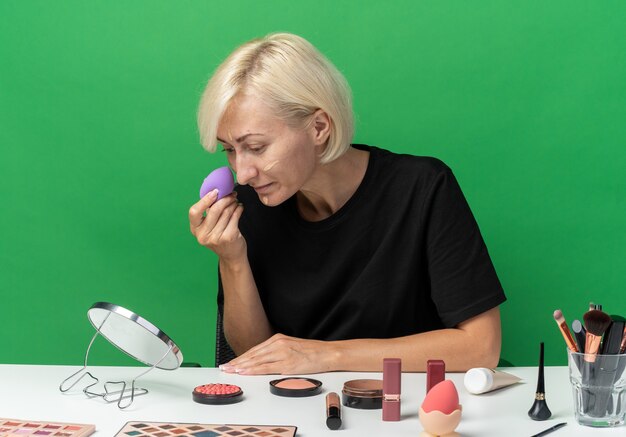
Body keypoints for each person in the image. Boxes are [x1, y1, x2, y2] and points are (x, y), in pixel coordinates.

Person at [188, 32, 506, 375]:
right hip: (299, 409)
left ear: (319, 127)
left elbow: (481, 348)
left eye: (257, 146)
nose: (243, 173)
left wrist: (328, 356)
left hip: (405, 410)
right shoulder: (251, 205)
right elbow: (257, 360)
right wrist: (232, 260)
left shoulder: (422, 188)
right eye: (230, 150)